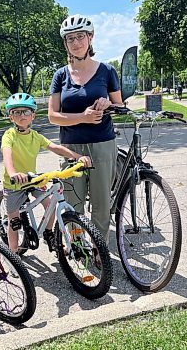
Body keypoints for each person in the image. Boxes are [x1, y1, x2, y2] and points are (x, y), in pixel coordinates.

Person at [48, 14, 124, 244]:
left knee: (102, 202)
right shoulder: (60, 75)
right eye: (70, 38)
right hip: (72, 146)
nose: (76, 42)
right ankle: (78, 246)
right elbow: (52, 116)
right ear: (65, 43)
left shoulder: (107, 71)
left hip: (103, 143)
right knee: (73, 200)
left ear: (90, 38)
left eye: (80, 36)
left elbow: (119, 106)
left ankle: (99, 249)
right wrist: (83, 117)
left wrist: (108, 105)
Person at [1, 93, 91, 253]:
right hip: (14, 183)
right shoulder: (9, 136)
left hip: (33, 180)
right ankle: (13, 255)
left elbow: (55, 147)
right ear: (11, 117)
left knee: (50, 203)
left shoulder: (36, 136)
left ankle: (49, 234)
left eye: (26, 111)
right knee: (14, 221)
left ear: (33, 115)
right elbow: (7, 155)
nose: (22, 115)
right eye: (17, 112)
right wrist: (13, 173)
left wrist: (78, 157)